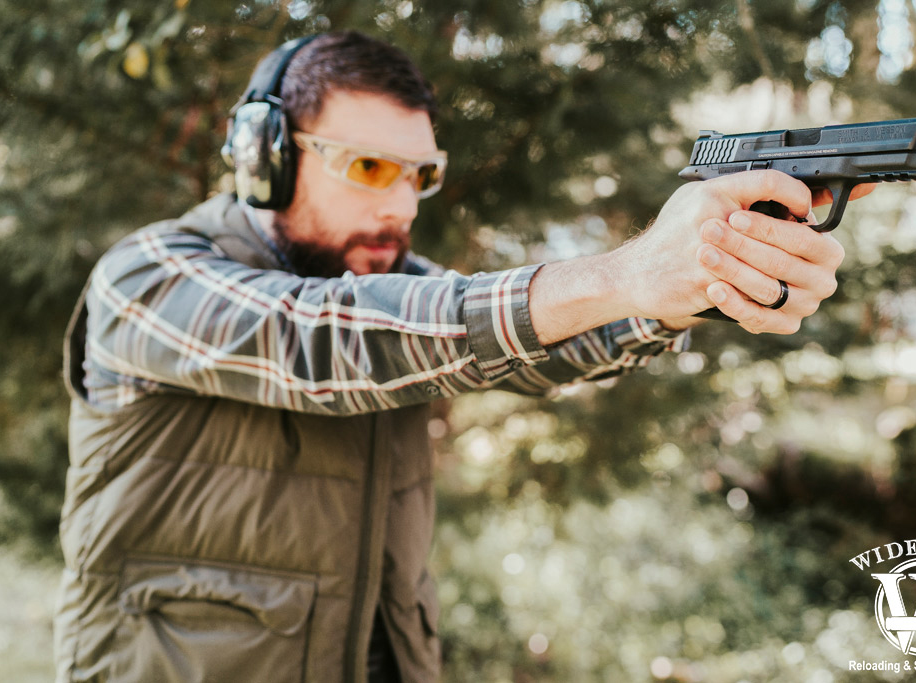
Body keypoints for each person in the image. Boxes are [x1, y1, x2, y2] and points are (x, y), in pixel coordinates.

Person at [54, 30, 865, 683]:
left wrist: (692, 282)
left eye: (420, 175)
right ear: (266, 156)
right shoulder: (147, 276)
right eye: (369, 167)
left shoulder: (387, 276)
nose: (401, 204)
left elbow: (533, 341)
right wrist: (630, 270)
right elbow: (324, 339)